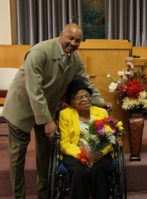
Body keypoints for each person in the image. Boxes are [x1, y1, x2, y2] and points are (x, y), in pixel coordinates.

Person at [3, 23, 106, 199]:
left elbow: (86, 84)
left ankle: (45, 196)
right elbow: (34, 90)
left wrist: (101, 103)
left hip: (46, 108)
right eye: (70, 38)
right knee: (17, 158)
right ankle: (18, 196)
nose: (73, 43)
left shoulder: (75, 60)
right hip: (21, 107)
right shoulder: (40, 52)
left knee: (45, 156)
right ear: (61, 35)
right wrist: (47, 121)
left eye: (77, 41)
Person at [59, 79, 113, 199]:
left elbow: (109, 137)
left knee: (98, 171)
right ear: (72, 102)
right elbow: (65, 143)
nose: (85, 99)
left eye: (87, 96)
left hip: (100, 153)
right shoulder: (65, 114)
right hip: (75, 154)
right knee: (79, 172)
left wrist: (100, 152)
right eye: (79, 97)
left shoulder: (101, 112)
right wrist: (82, 154)